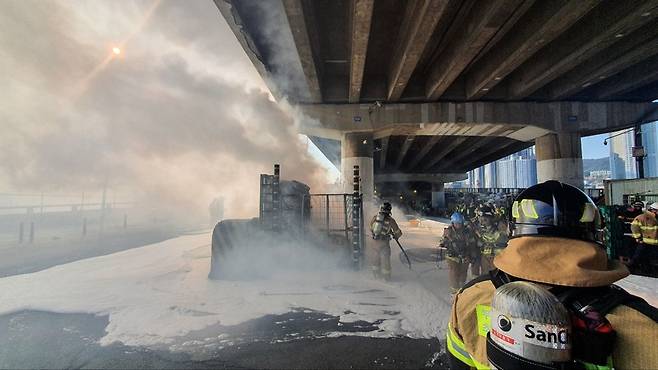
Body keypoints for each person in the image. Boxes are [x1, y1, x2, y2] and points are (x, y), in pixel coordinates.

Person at [447, 181, 658, 370]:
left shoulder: (471, 297)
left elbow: (458, 360)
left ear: (515, 230)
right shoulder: (646, 328)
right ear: (595, 233)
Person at [441, 212, 478, 293]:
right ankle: (454, 291)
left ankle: (462, 288)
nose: (458, 225)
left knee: (463, 272)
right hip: (452, 256)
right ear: (453, 223)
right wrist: (446, 241)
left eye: (460, 223)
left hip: (464, 255)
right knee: (454, 272)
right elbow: (443, 242)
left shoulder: (467, 231)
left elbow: (472, 244)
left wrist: (473, 255)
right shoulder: (449, 232)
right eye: (456, 223)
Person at [369, 202, 402, 281]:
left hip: (375, 243)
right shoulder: (391, 220)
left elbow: (371, 228)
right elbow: (398, 233)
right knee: (385, 259)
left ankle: (375, 274)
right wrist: (393, 234)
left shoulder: (375, 217)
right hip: (384, 244)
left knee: (375, 258)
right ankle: (386, 277)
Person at [474, 205, 505, 273]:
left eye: (485, 219)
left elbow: (502, 246)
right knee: (485, 277)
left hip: (497, 258)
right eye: (481, 219)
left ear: (491, 218)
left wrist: (486, 245)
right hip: (485, 258)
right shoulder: (478, 229)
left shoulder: (499, 229)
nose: (482, 222)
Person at [629, 202, 658, 273]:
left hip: (654, 243)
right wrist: (638, 238)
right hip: (644, 242)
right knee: (638, 257)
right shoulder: (642, 217)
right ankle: (631, 270)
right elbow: (634, 226)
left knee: (649, 258)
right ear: (653, 210)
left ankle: (647, 270)